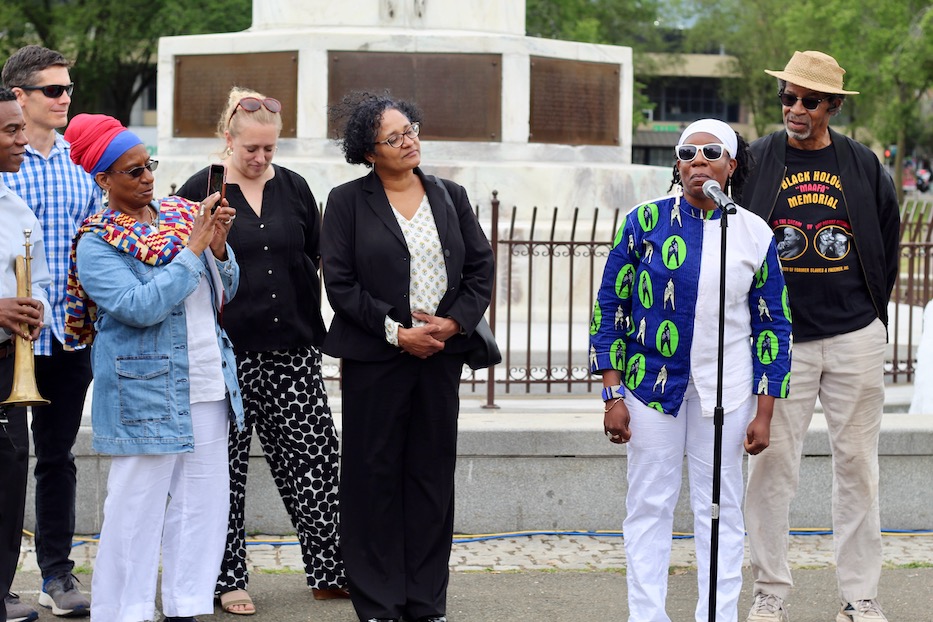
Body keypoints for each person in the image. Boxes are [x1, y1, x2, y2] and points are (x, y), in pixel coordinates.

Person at [590, 119, 792, 622]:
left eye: (711, 152)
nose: (698, 160)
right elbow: (610, 305)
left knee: (719, 513)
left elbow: (774, 324)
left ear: (731, 165)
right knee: (649, 507)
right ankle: (647, 616)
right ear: (677, 166)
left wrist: (764, 411)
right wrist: (611, 395)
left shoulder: (753, 232)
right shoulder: (643, 221)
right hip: (649, 389)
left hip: (727, 396)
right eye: (688, 152)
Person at [61, 113, 244, 622]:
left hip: (208, 379)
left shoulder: (182, 216)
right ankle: (124, 610)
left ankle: (187, 605)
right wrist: (191, 252)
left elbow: (226, 289)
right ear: (103, 181)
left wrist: (219, 246)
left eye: (149, 165)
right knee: (135, 508)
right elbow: (138, 307)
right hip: (145, 389)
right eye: (133, 171)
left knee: (203, 504)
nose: (147, 178)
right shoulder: (96, 240)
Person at [738, 51, 900, 622]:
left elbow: (885, 239)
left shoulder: (861, 162)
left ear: (832, 105)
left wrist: (872, 314)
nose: (796, 109)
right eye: (788, 97)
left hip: (854, 335)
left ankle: (859, 596)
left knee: (857, 465)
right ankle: (770, 594)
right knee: (770, 469)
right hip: (781, 343)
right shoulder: (755, 160)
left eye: (809, 100)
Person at [322, 92, 495, 622]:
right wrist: (397, 333)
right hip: (378, 359)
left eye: (411, 129)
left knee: (430, 477)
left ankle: (425, 601)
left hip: (440, 356)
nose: (409, 140)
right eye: (394, 137)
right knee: (372, 477)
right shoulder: (348, 201)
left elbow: (480, 269)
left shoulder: (450, 195)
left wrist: (453, 322)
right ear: (369, 152)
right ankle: (377, 602)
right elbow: (341, 284)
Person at [175, 86, 346, 615]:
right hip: (227, 354)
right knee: (223, 470)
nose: (261, 158)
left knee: (315, 460)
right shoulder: (198, 188)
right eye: (251, 148)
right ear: (228, 139)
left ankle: (330, 568)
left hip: (292, 348)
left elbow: (318, 254)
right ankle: (227, 578)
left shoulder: (294, 187)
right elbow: (182, 264)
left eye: (270, 148)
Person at [0, 45, 101, 618]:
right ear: (20, 96)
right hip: (11, 339)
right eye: (53, 90)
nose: (65, 99)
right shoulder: (6, 163)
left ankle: (57, 575)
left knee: (57, 458)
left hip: (66, 336)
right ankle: (2, 581)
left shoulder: (77, 165)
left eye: (68, 89)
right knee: (6, 461)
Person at [0, 87, 52, 622]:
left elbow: (32, 279)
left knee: (11, 478)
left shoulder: (17, 206)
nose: (22, 140)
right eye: (11, 131)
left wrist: (31, 307)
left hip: (7, 365)